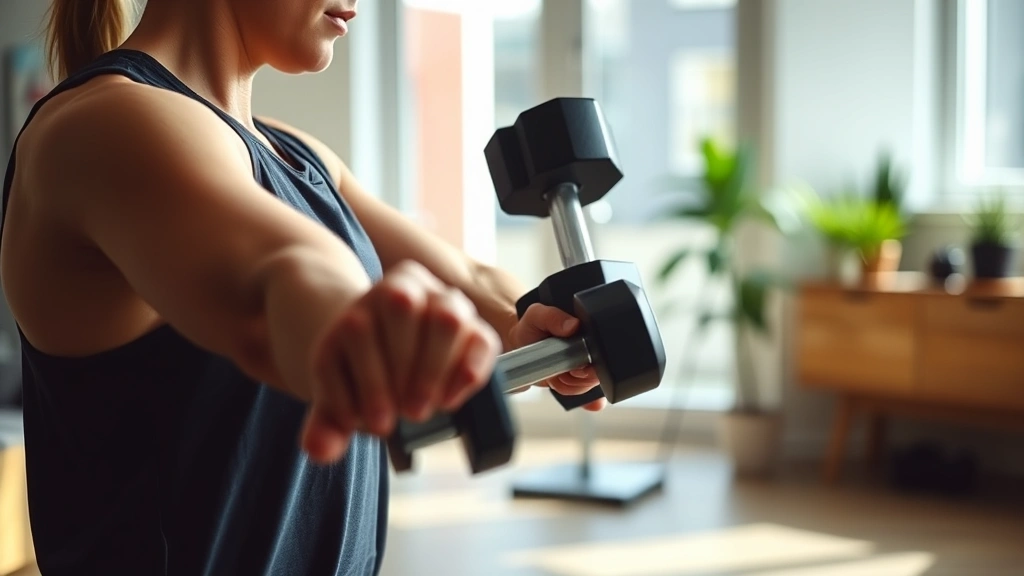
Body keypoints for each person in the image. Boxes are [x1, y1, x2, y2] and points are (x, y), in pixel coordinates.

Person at [0, 0, 606, 574]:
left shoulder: (293, 152)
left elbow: (468, 279)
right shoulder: (103, 127)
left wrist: (539, 322)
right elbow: (285, 273)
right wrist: (353, 326)